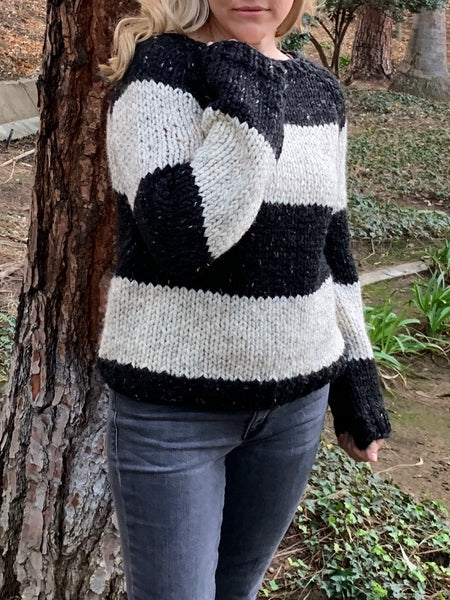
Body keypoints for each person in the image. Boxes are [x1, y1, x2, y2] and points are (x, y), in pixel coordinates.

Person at [96, 1, 392, 598]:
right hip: (173, 412)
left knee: (239, 590)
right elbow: (182, 238)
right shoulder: (160, 71)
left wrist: (357, 382)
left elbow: (332, 249)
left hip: (294, 410)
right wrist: (247, 100)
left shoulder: (320, 91)